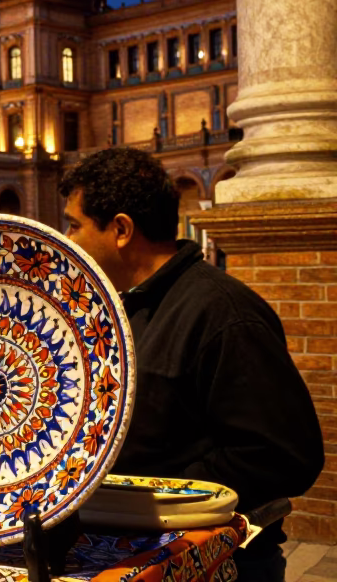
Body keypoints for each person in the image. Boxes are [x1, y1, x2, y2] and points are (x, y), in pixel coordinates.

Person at [59, 147, 322, 581]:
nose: (67, 239)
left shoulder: (223, 312)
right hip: (121, 550)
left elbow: (285, 455)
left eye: (74, 225)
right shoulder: (117, 307)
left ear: (121, 229)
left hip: (216, 562)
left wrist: (154, 493)